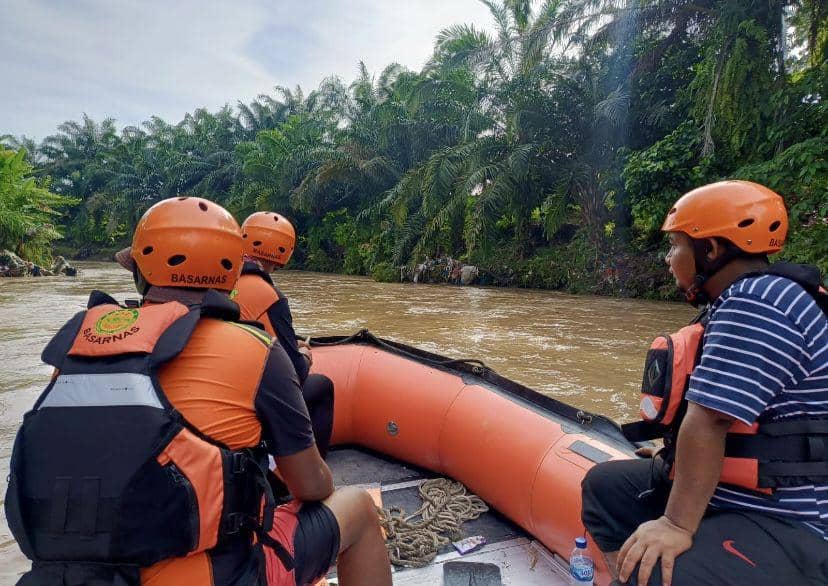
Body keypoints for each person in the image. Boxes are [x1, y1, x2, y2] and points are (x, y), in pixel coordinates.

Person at [6, 196, 391, 586]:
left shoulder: (77, 345)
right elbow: (312, 486)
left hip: (66, 577)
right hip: (214, 574)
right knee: (357, 507)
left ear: (142, 271)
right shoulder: (255, 348)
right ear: (231, 270)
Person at [580, 180, 828, 586]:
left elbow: (710, 420)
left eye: (675, 245)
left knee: (662, 573)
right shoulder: (742, 300)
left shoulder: (759, 304)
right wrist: (675, 454)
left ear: (710, 250)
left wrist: (676, 525)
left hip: (788, 517)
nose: (668, 258)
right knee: (605, 488)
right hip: (734, 491)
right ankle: (627, 575)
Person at [233, 211, 335, 459]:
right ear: (285, 252)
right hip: (250, 397)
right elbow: (296, 371)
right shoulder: (271, 296)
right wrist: (304, 354)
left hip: (224, 384)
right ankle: (314, 470)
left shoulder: (221, 278)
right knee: (322, 386)